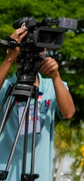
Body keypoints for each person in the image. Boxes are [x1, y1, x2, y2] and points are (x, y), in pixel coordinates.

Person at [0, 25, 76, 181]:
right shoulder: (6, 85)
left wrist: (56, 76)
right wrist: (9, 58)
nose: (35, 52)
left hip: (39, 173)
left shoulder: (52, 86)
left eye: (40, 47)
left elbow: (69, 113)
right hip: (5, 172)